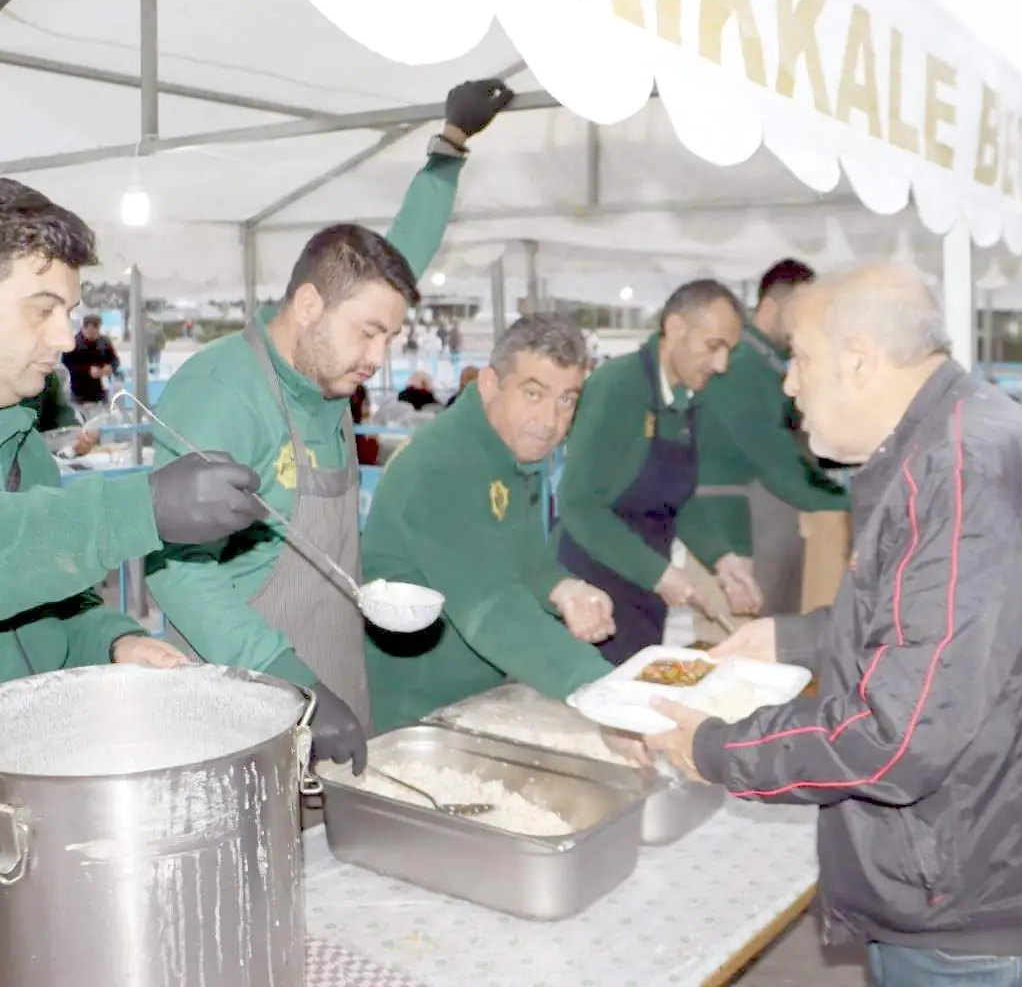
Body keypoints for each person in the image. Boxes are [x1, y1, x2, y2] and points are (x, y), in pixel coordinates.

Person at [645, 263, 1022, 985]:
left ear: (859, 361)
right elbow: (938, 632)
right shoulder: (962, 437)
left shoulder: (961, 476)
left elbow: (895, 738)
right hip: (1012, 858)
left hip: (982, 901)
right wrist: (793, 636)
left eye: (801, 360)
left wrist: (719, 749)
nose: (788, 385)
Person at [0, 178, 270, 984]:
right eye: (43, 308)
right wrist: (132, 508)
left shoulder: (18, 435)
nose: (66, 337)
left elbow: (45, 598)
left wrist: (112, 640)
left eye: (70, 311)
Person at [145, 78, 514, 735]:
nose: (378, 355)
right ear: (310, 305)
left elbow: (397, 261)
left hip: (334, 675)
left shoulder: (325, 370)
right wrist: (295, 685)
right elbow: (177, 572)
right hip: (246, 696)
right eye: (369, 333)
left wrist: (449, 149)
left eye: (389, 336)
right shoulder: (223, 391)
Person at [363, 316, 617, 730]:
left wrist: (562, 588)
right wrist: (600, 686)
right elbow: (492, 609)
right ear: (488, 384)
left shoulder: (513, 452)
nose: (551, 421)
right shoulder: (440, 466)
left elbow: (521, 556)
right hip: (415, 711)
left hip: (481, 695)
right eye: (532, 393)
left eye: (566, 400)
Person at [556, 279, 759, 664]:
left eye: (729, 351)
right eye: (713, 346)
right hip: (595, 589)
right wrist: (659, 574)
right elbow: (579, 505)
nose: (722, 364)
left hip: (645, 592)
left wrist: (723, 559)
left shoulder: (686, 402)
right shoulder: (618, 387)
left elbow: (679, 499)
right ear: (676, 328)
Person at [683, 259, 849, 614]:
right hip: (731, 542)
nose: (807, 325)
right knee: (735, 658)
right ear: (771, 307)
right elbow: (777, 464)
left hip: (757, 534)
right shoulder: (741, 368)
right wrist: (848, 505)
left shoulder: (767, 366)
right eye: (799, 313)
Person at [62, 313, 120, 406]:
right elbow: (67, 365)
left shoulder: (104, 342)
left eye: (96, 331)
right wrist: (87, 370)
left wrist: (110, 367)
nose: (93, 335)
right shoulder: (73, 343)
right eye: (90, 332)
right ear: (84, 328)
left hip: (101, 391)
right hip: (79, 393)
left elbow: (115, 360)